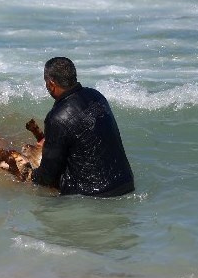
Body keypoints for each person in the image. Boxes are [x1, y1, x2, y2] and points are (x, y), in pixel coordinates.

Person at [29, 57, 134, 197]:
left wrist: (30, 176)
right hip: (125, 183)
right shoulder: (96, 96)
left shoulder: (57, 117)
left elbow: (48, 176)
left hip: (94, 195)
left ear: (51, 83)